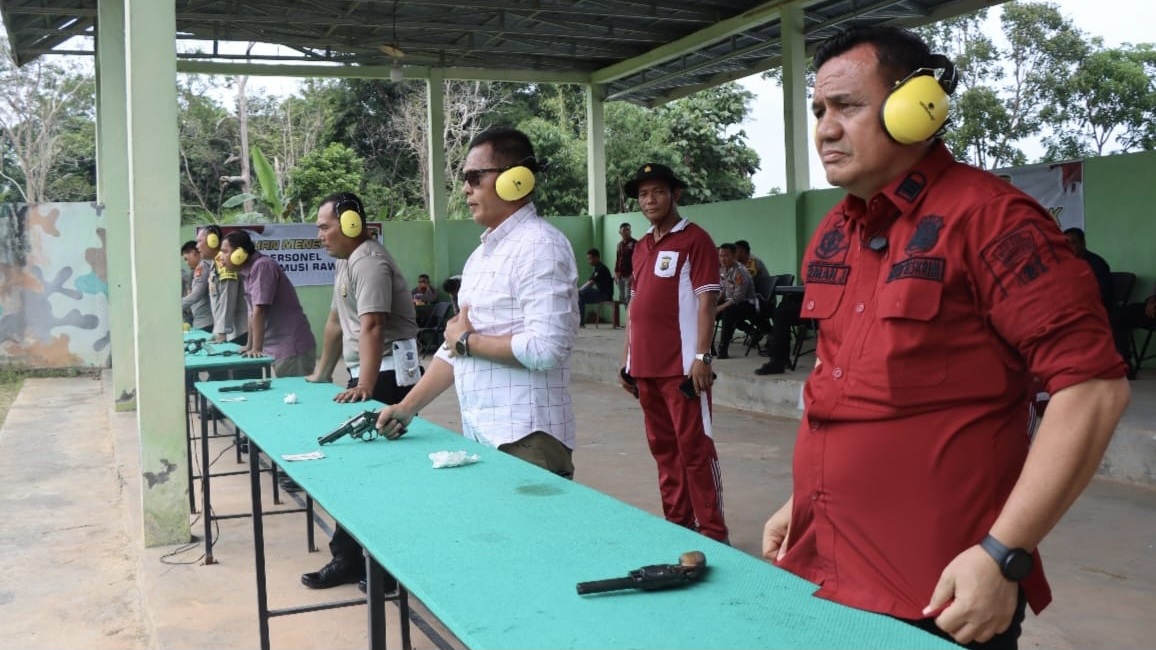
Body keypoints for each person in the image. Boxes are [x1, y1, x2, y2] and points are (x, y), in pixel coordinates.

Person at [761, 26, 1129, 650]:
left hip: (943, 591)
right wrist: (807, 501)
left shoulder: (991, 220)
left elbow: (1093, 391)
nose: (824, 127)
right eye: (819, 110)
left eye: (847, 106)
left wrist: (1002, 554)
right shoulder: (833, 232)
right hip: (826, 568)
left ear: (916, 108)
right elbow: (843, 387)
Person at [374, 126, 579, 484]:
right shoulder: (481, 256)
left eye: (474, 177)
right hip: (484, 435)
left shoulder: (540, 246)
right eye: (464, 177)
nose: (466, 188)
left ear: (515, 180)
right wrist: (407, 408)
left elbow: (548, 348)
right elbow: (453, 348)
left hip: (525, 439)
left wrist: (469, 342)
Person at [301, 191, 422, 593]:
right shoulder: (346, 263)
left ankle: (385, 568)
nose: (320, 235)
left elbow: (372, 325)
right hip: (368, 375)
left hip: (386, 376)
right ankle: (349, 557)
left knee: (382, 476)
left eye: (324, 226)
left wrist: (365, 387)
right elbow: (336, 324)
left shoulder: (369, 262)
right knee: (355, 471)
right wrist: (321, 374)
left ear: (351, 223)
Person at [616, 162, 728, 543]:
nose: (650, 200)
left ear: (675, 194)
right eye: (644, 194)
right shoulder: (641, 246)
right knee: (663, 451)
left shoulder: (695, 239)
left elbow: (707, 302)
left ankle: (713, 531)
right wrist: (627, 361)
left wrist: (702, 357)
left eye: (658, 192)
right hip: (645, 370)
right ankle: (679, 526)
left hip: (682, 371)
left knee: (695, 450)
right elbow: (635, 307)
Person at [219, 230, 316, 377]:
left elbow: (260, 311)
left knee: (295, 395)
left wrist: (256, 348)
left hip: (290, 347)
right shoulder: (248, 271)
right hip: (277, 347)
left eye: (225, 251)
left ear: (238, 253)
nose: (221, 257)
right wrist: (249, 346)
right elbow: (251, 313)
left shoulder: (262, 267)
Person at [196, 225, 249, 347]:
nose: (197, 246)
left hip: (239, 333)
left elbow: (227, 298)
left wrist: (221, 331)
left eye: (199, 241)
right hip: (231, 332)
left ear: (212, 241)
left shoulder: (223, 263)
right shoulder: (216, 263)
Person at [715, 243, 759, 359]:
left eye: (726, 256)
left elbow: (738, 297)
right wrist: (715, 302)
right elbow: (724, 289)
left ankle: (723, 347)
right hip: (733, 303)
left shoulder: (740, 271)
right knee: (708, 309)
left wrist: (720, 307)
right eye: (720, 256)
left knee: (728, 312)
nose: (722, 259)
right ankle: (710, 348)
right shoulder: (724, 269)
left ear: (734, 256)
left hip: (747, 303)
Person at [180, 240, 213, 332]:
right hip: (202, 319)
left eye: (186, 259)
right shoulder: (200, 268)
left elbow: (196, 294)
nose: (187, 263)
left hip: (206, 320)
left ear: (194, 253)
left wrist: (177, 306)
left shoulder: (202, 267)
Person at [578, 248, 613, 327]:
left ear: (596, 257)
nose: (589, 261)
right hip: (600, 294)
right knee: (580, 299)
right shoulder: (597, 268)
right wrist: (579, 290)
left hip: (605, 295)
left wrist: (579, 291)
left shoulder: (601, 269)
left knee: (584, 290)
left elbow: (590, 283)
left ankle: (579, 322)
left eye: (590, 258)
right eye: (588, 259)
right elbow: (589, 281)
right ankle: (581, 323)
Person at [614, 222, 637, 305]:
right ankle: (628, 317)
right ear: (620, 232)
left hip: (629, 276)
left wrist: (633, 274)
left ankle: (630, 317)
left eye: (628, 230)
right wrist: (616, 272)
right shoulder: (619, 245)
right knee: (623, 298)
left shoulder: (635, 244)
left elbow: (637, 260)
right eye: (624, 230)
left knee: (629, 298)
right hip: (620, 276)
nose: (627, 232)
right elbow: (617, 260)